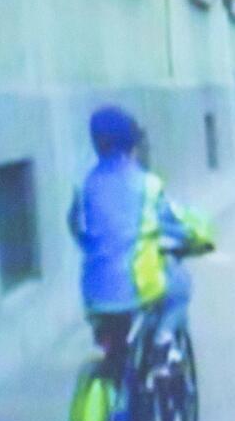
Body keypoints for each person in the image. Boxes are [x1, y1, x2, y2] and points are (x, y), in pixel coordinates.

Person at [68, 106, 205, 373]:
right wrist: (198, 237)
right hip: (137, 289)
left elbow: (77, 227)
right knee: (180, 286)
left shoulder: (84, 185)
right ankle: (164, 341)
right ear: (133, 145)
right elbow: (175, 223)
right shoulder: (147, 184)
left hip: (94, 294)